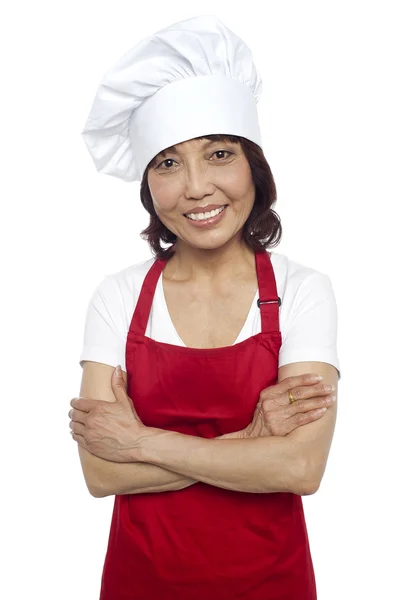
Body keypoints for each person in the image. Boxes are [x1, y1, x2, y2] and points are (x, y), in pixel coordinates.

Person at [69, 14, 340, 600]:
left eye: (218, 154)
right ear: (148, 186)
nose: (195, 187)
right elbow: (100, 473)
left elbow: (299, 469)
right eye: (168, 163)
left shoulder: (302, 291)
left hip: (273, 583)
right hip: (140, 582)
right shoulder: (118, 297)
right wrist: (250, 441)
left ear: (253, 168)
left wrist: (140, 442)